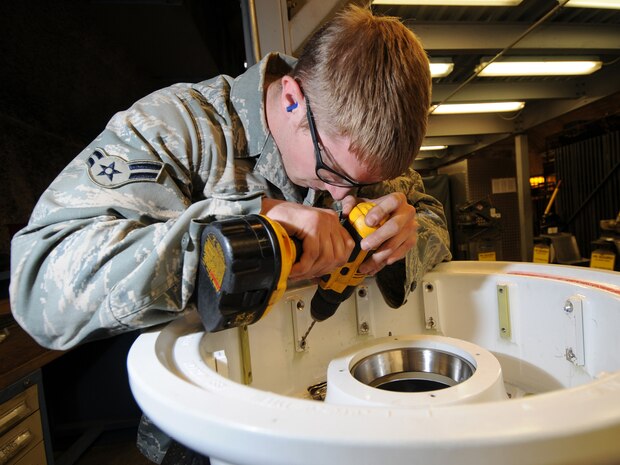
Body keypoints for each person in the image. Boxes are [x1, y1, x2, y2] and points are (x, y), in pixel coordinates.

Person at [10, 4, 451, 463]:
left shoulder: (348, 141)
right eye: (332, 171)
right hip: (209, 432)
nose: (343, 196)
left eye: (359, 184)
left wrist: (406, 241)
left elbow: (429, 213)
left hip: (334, 415)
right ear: (291, 98)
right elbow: (40, 284)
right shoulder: (180, 128)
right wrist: (242, 230)